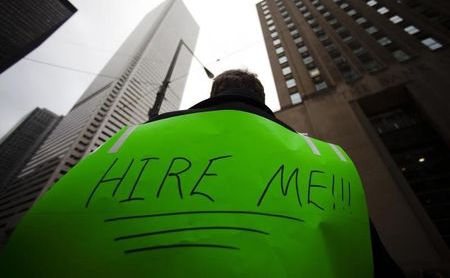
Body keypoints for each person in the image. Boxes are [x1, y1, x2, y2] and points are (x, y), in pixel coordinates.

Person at [1, 69, 404, 277]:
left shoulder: (131, 140)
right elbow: (370, 260)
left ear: (213, 94)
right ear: (262, 100)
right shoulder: (320, 156)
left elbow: (53, 225)